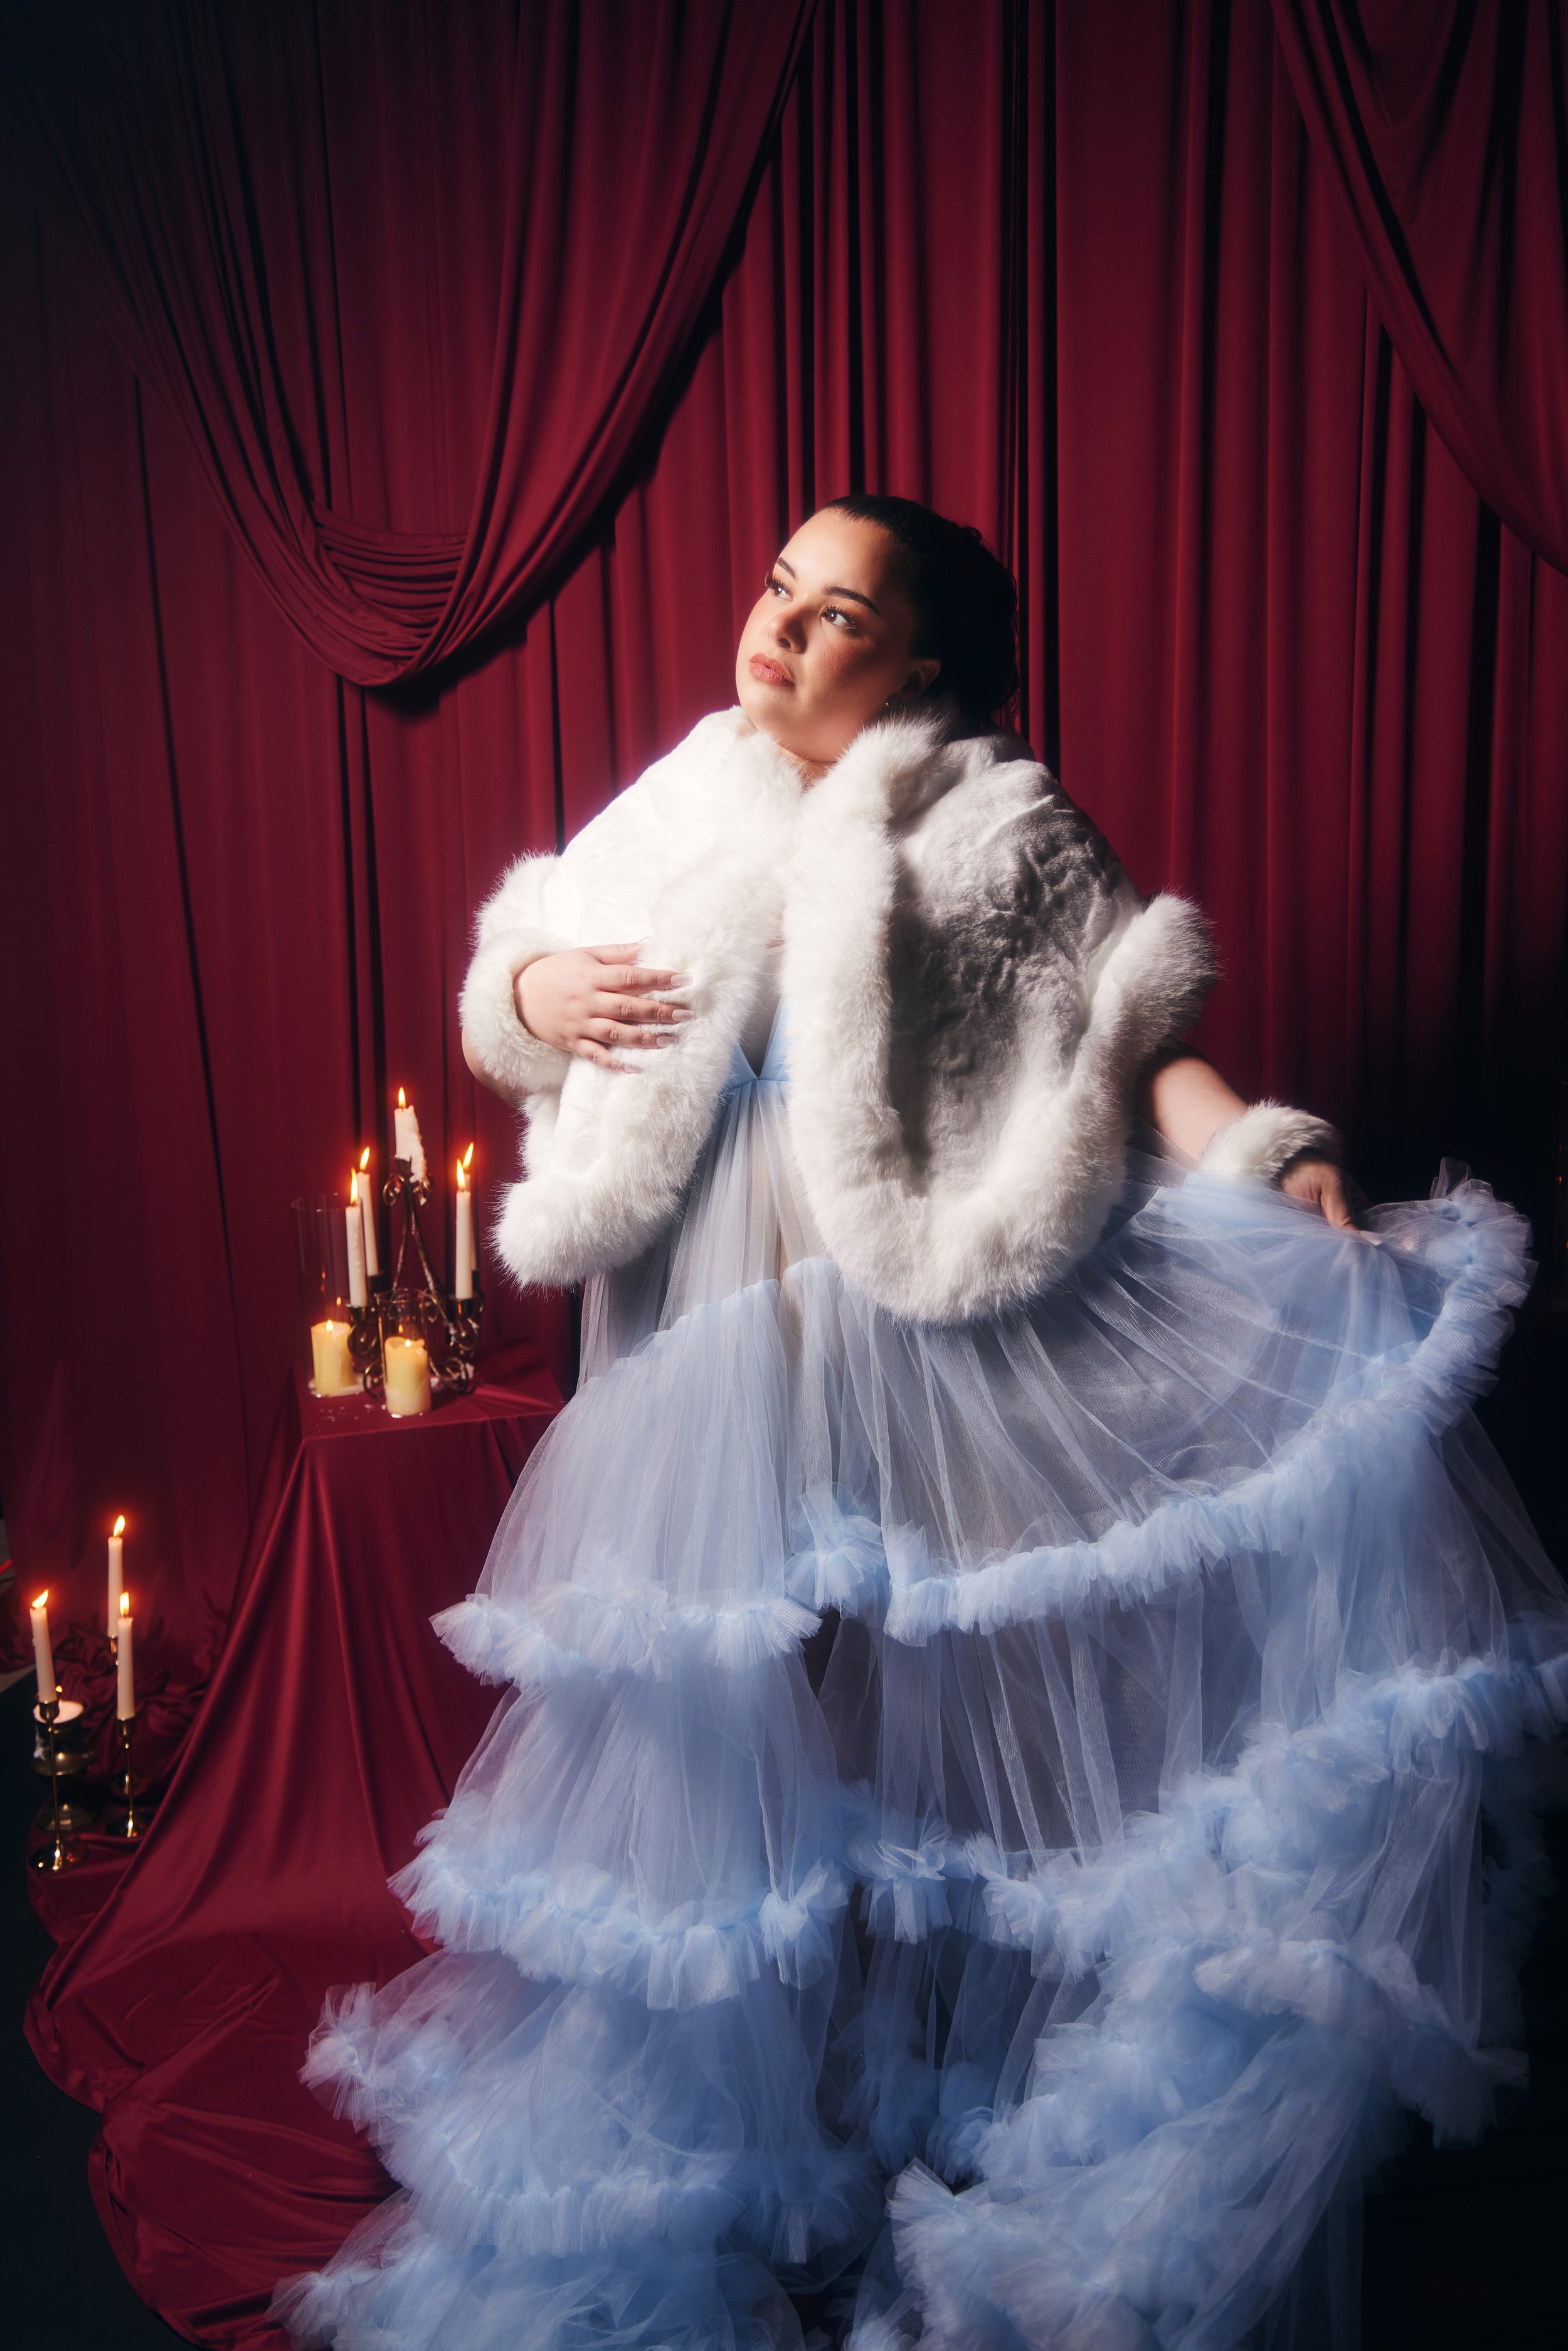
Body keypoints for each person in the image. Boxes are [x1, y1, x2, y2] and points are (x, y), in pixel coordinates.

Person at [274, 496, 1568, 2351]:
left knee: (906, 1693)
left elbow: (1131, 1036)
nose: (781, 631)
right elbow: (529, 972)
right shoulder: (693, 786)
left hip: (894, 1315)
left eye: (838, 618)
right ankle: (752, 2128)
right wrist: (534, 987)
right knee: (729, 1715)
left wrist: (1269, 1153)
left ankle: (918, 2097)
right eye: (777, 592)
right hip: (695, 1325)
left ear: (922, 665)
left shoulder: (998, 817)